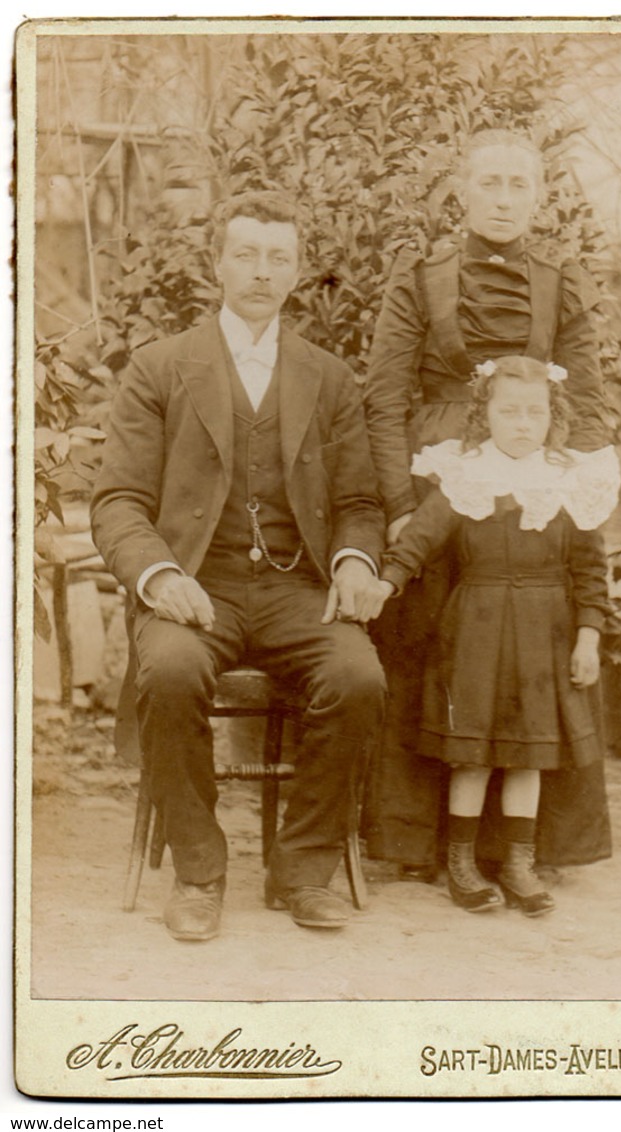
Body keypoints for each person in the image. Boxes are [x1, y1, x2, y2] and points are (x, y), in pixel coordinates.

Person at [91, 192, 388, 941]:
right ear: (217, 262)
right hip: (196, 585)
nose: (262, 271)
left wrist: (354, 562)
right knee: (168, 672)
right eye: (247, 254)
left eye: (279, 258)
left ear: (297, 271)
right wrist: (160, 577)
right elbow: (118, 501)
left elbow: (360, 501)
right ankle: (199, 869)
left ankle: (304, 866)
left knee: (358, 677)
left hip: (296, 590)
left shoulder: (329, 378)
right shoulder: (159, 368)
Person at [362, 127, 613, 880]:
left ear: (539, 196)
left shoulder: (560, 280)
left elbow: (589, 392)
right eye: (489, 184)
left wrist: (582, 485)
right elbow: (382, 394)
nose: (503, 200)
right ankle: (427, 844)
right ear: (461, 192)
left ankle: (524, 850)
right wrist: (404, 501)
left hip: (537, 465)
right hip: (447, 475)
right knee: (440, 656)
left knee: (535, 651)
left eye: (518, 185)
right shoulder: (421, 276)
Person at [368, 356, 620, 915]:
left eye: (535, 412)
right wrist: (384, 583)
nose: (523, 424)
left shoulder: (569, 481)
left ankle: (519, 863)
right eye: (509, 412)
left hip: (546, 634)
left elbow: (590, 571)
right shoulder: (466, 474)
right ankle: (460, 862)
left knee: (528, 756)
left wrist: (588, 636)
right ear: (485, 414)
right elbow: (419, 540)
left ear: (554, 416)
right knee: (472, 753)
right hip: (475, 631)